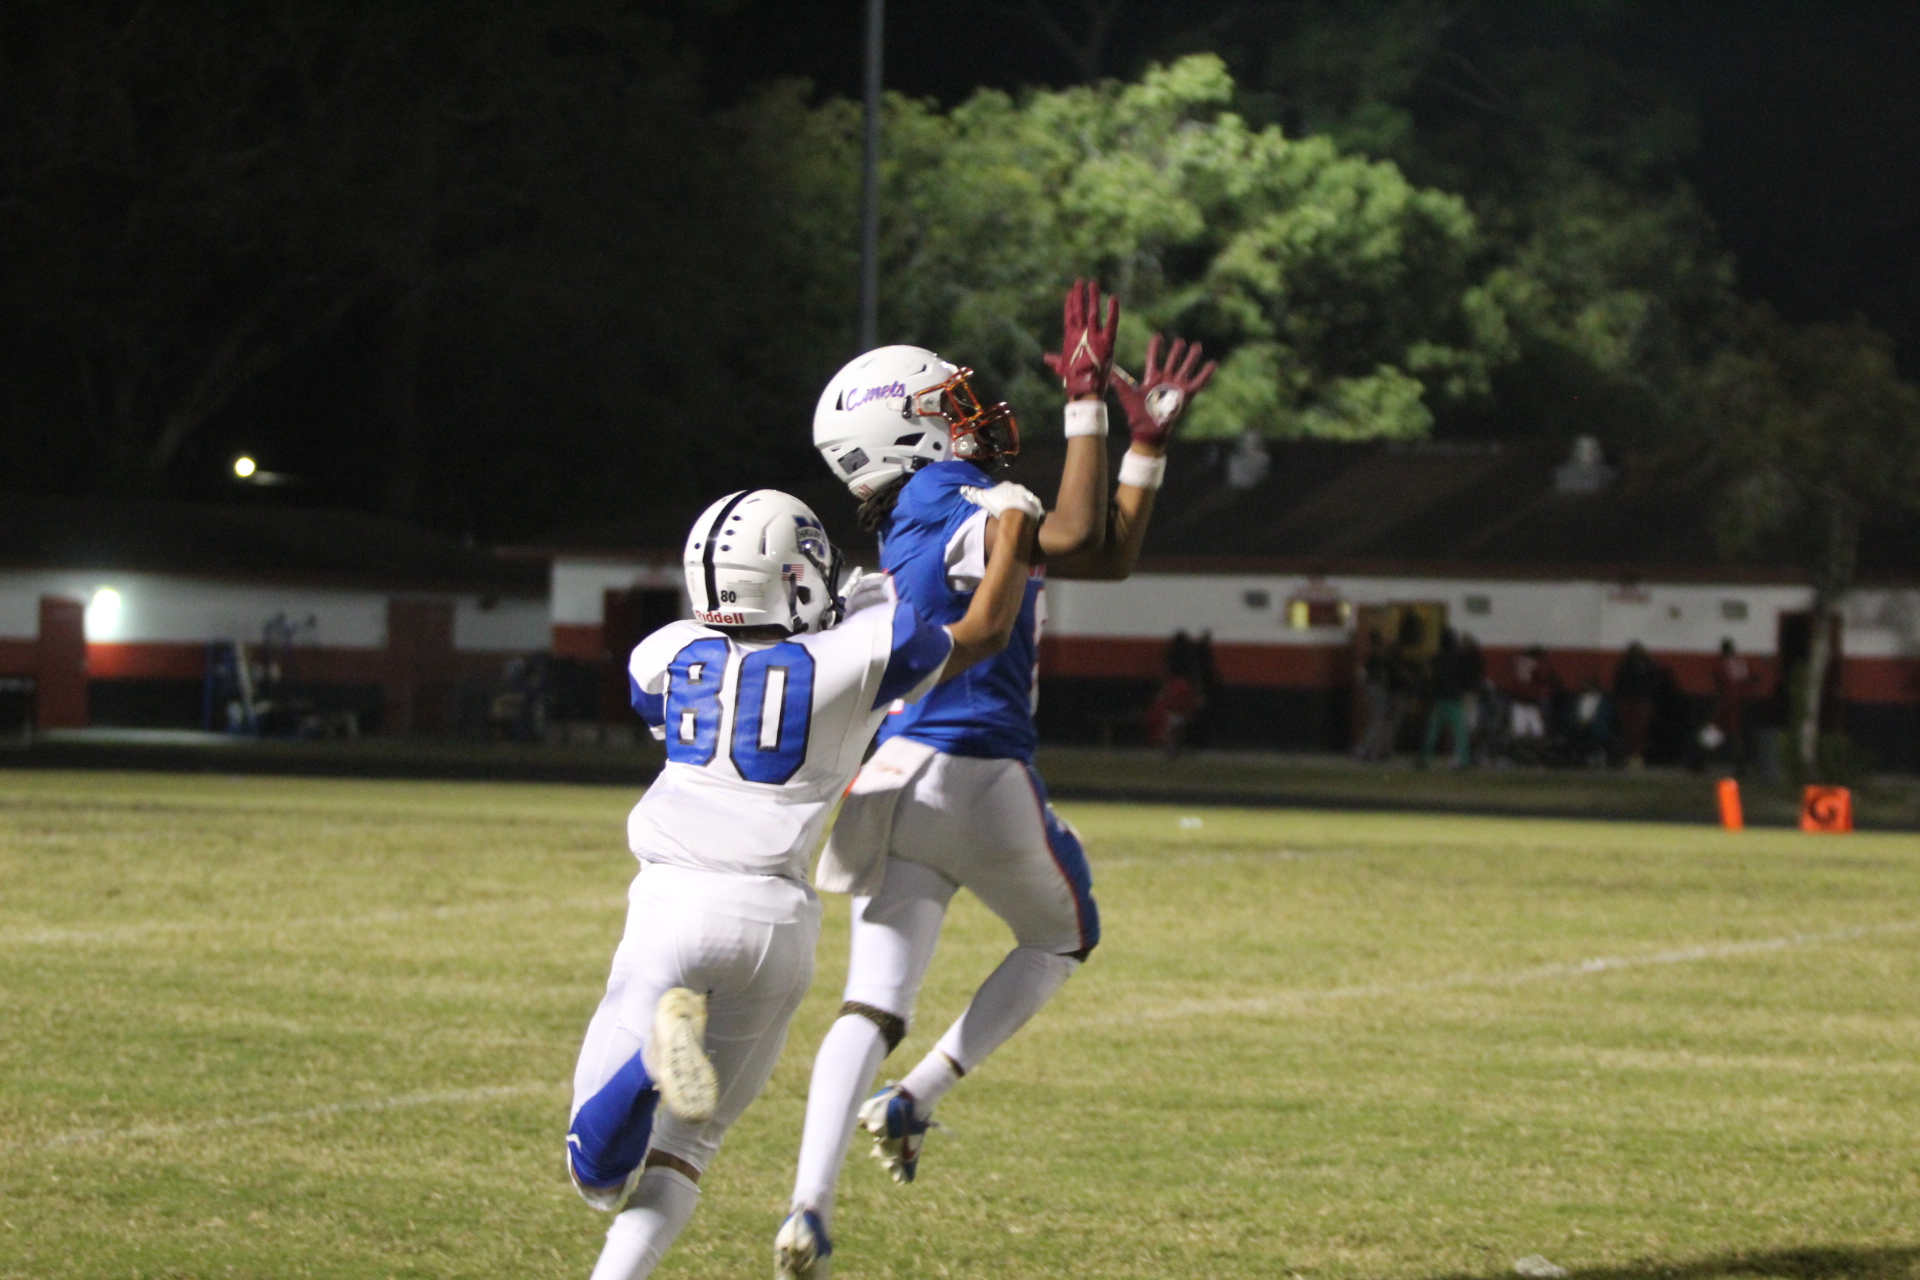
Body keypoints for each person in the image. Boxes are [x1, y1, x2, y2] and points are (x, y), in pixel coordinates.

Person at [779, 281, 1214, 1279]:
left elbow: (1097, 558)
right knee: (1066, 932)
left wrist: (1143, 443)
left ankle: (809, 1197)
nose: (970, 415)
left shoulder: (915, 513)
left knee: (871, 1001)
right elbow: (1067, 535)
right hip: (974, 762)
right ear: (903, 434)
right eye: (945, 406)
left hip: (893, 776)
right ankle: (919, 1094)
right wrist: (1088, 406)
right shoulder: (940, 496)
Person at [564, 484, 1041, 1280]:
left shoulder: (663, 654)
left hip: (670, 906)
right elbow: (983, 628)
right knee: (687, 1153)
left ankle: (652, 1061)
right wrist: (1016, 524)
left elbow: (735, 673)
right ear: (797, 573)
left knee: (597, 1174)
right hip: (776, 924)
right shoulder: (858, 650)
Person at [1419, 627, 1472, 768]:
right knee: (1459, 733)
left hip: (1440, 698)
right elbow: (1465, 678)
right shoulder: (1460, 658)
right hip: (1456, 698)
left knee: (1432, 731)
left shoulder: (1436, 658)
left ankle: (1424, 759)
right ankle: (1463, 760)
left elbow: (1430, 678)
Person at [1613, 641, 1658, 767]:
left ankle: (1635, 756)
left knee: (1637, 731)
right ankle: (1632, 756)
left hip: (1638, 702)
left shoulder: (1629, 667)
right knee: (1631, 730)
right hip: (1633, 702)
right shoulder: (1644, 667)